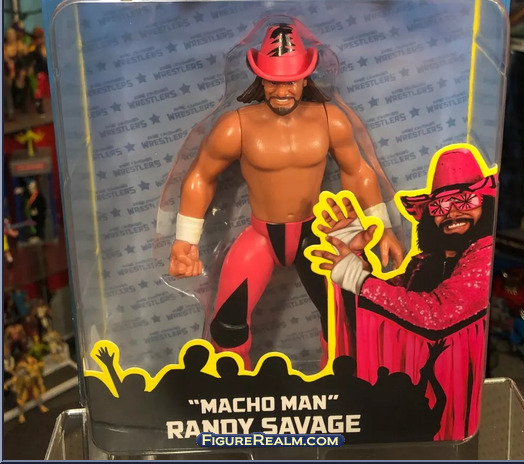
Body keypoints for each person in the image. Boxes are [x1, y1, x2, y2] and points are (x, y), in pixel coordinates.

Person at [169, 22, 403, 367]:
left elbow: (358, 172)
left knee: (343, 316)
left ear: (306, 78)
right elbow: (201, 176)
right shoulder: (236, 125)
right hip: (261, 237)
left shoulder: (329, 119)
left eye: (290, 81)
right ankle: (232, 389)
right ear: (260, 78)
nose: (281, 90)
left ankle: (344, 383)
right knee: (227, 324)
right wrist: (185, 240)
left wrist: (381, 226)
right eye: (272, 81)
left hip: (315, 234)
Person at [314, 146, 497, 441]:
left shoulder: (485, 254)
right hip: (414, 405)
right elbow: (392, 305)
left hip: (455, 412)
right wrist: (355, 256)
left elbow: (438, 313)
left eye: (466, 199)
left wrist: (359, 279)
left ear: (485, 203)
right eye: (440, 206)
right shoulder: (426, 262)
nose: (453, 213)